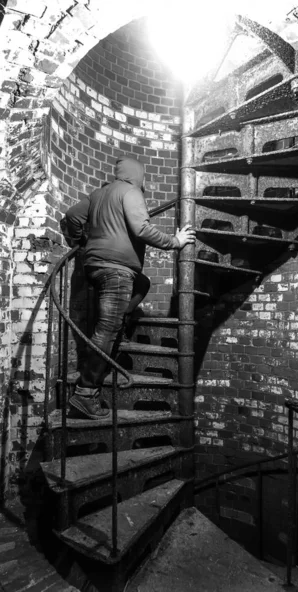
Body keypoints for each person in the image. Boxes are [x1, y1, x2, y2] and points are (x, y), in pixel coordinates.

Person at [65, 155, 196, 419]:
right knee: (106, 331)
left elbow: (71, 216)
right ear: (137, 175)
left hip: (96, 268)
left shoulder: (97, 194)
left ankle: (122, 318)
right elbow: (142, 229)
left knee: (143, 283)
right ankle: (85, 392)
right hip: (116, 270)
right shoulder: (131, 191)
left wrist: (82, 241)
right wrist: (175, 241)